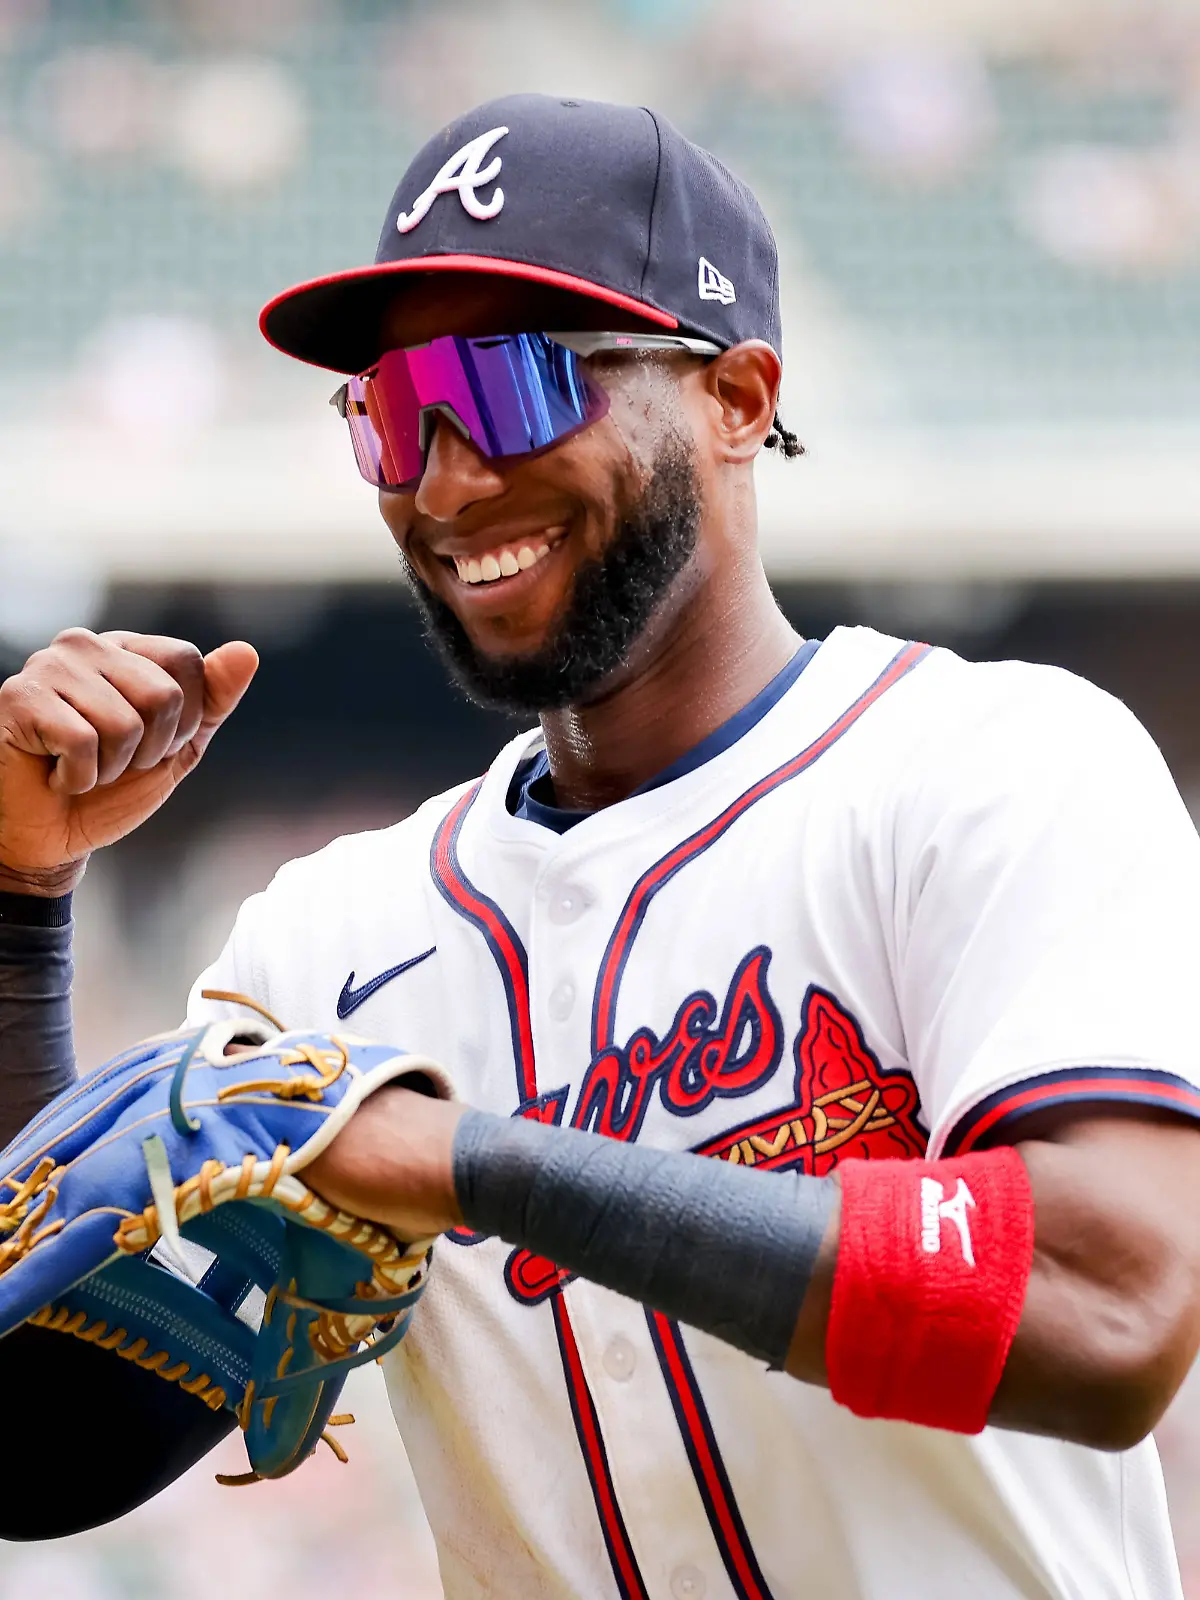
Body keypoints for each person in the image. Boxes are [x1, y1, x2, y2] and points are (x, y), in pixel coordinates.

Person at [1, 92, 1200, 1597]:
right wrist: (18, 905)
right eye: (389, 409)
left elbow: (1106, 1312)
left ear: (739, 397)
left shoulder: (991, 770)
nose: (440, 478)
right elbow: (39, 1448)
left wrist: (463, 1162)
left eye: (506, 385)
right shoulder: (326, 943)